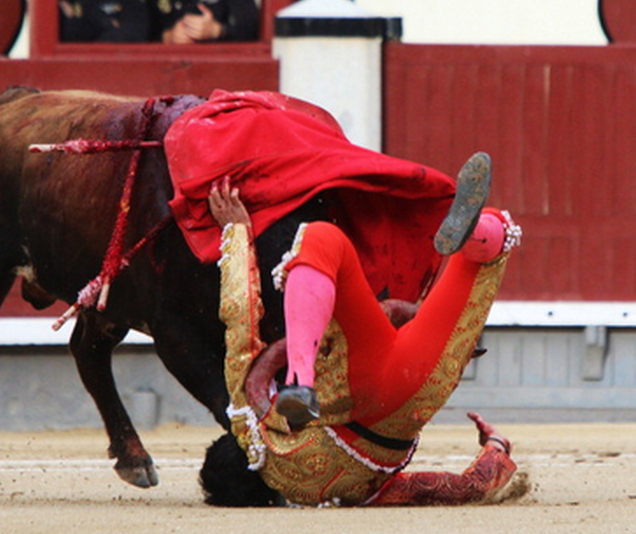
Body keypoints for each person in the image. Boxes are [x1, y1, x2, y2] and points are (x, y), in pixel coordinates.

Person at [200, 153, 523, 507]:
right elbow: (239, 315)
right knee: (322, 240)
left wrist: (496, 446)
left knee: (493, 247)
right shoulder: (253, 428)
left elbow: (462, 488)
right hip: (353, 377)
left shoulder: (350, 492)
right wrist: (236, 231)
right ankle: (300, 377)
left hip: (416, 389)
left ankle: (480, 232)